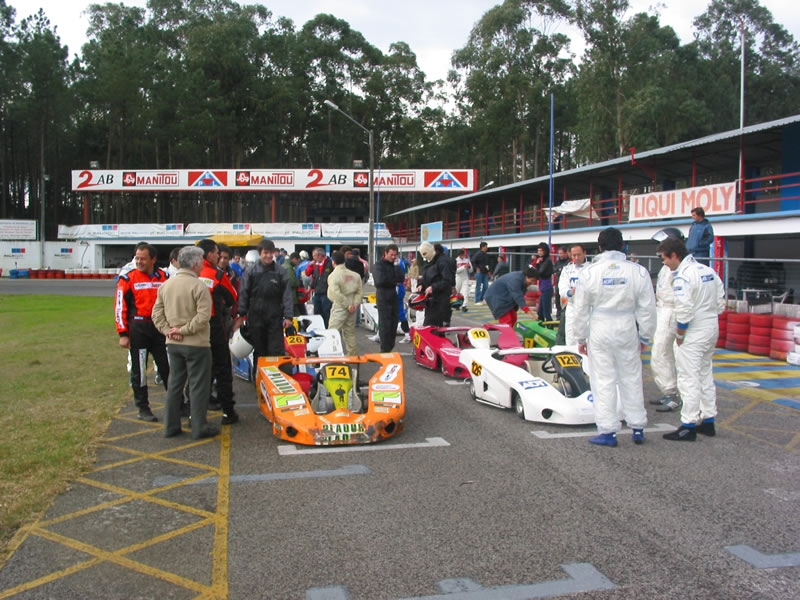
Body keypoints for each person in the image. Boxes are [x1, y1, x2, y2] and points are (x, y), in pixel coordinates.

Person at [573, 227, 657, 447]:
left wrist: (581, 338)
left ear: (599, 247)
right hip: (628, 326)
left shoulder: (590, 272)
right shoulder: (638, 271)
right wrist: (646, 337)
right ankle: (638, 426)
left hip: (600, 327)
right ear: (622, 246)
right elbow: (648, 308)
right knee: (631, 377)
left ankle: (608, 431)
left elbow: (580, 308)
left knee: (603, 380)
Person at [658, 237, 726, 442]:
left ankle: (688, 424)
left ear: (674, 255)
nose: (664, 263)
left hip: (693, 330)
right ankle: (708, 420)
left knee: (688, 377)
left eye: (664, 259)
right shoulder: (708, 271)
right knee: (705, 374)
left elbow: (684, 310)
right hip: (711, 325)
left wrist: (680, 334)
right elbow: (721, 301)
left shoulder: (682, 277)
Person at [151, 246, 218, 440]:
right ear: (196, 263)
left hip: (173, 344)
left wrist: (169, 331)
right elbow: (203, 317)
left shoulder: (166, 285)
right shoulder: (199, 287)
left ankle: (170, 426)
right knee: (198, 386)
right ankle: (199, 427)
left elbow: (156, 314)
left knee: (174, 385)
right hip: (197, 344)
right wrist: (183, 330)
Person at [115, 242, 170, 422]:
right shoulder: (128, 278)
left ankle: (177, 403)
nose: (139, 262)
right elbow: (120, 307)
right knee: (139, 371)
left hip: (160, 329)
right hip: (138, 329)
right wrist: (123, 334)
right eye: (137, 258)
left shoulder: (165, 277)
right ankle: (143, 408)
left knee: (167, 368)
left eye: (143, 259)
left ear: (153, 259)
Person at [197, 239, 239, 424]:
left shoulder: (188, 273)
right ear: (209, 254)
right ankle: (228, 412)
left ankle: (195, 415)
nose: (218, 257)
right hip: (212, 325)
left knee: (196, 370)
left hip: (190, 328)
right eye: (216, 253)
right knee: (222, 368)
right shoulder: (217, 274)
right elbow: (232, 297)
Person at [234, 239, 293, 368]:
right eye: (265, 253)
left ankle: (277, 381)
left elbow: (287, 295)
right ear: (260, 253)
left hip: (274, 317)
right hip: (255, 317)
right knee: (260, 352)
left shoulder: (281, 272)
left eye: (270, 253)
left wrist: (288, 316)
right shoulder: (250, 271)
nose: (268, 256)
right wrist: (240, 315)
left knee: (276, 351)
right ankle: (259, 381)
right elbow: (243, 293)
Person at [649, 228, 684, 412]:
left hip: (672, 311)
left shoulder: (679, 268)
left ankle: (672, 394)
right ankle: (669, 391)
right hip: (663, 310)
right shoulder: (666, 266)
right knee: (663, 354)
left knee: (661, 353)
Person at [326, 250, 363, 356]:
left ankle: (331, 355)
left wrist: (347, 305)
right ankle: (352, 355)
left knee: (332, 331)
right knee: (349, 333)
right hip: (353, 307)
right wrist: (354, 304)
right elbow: (359, 292)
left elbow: (333, 294)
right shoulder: (355, 275)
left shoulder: (334, 275)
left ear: (333, 262)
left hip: (340, 306)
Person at [372, 243, 405, 352]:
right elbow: (380, 281)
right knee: (385, 324)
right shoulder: (379, 265)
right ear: (385, 253)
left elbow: (401, 279)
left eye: (395, 255)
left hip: (394, 296)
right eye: (391, 255)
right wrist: (393, 281)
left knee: (394, 323)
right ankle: (384, 350)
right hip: (383, 296)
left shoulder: (395, 265)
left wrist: (396, 266)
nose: (393, 257)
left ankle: (389, 348)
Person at [556, 243, 588, 346]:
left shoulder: (592, 269)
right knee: (570, 336)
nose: (577, 258)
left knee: (588, 337)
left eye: (579, 254)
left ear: (584, 253)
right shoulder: (567, 270)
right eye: (574, 255)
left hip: (588, 307)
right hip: (572, 307)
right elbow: (562, 288)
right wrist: (570, 292)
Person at [418, 242, 455, 327]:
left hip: (440, 300)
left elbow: (447, 280)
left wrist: (433, 287)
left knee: (431, 326)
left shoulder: (443, 262)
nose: (426, 258)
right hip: (431, 300)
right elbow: (427, 276)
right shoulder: (431, 262)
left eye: (426, 255)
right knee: (431, 326)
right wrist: (421, 285)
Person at [306, 247, 334, 326]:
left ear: (319, 256)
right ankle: (319, 327)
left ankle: (327, 328)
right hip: (317, 292)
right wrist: (310, 286)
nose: (313, 258)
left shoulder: (330, 264)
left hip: (326, 292)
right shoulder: (315, 265)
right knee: (317, 312)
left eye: (314, 256)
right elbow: (310, 275)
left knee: (326, 312)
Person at [530, 242, 554, 321]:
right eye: (538, 250)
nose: (539, 252)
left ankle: (549, 327)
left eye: (541, 250)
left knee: (546, 312)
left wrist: (537, 265)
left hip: (546, 288)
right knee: (540, 312)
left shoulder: (547, 261)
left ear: (545, 251)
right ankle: (542, 327)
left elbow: (540, 272)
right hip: (542, 288)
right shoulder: (542, 260)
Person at [553, 247, 571, 319]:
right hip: (558, 285)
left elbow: (564, 271)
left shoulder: (569, 262)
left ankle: (563, 316)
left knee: (564, 302)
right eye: (559, 253)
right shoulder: (558, 262)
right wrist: (559, 270)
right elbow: (554, 269)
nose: (560, 255)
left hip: (565, 286)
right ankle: (558, 316)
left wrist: (560, 270)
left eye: (561, 253)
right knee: (557, 301)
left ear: (566, 253)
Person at [286, 252, 305, 317]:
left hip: (286, 296)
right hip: (291, 296)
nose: (298, 263)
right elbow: (293, 282)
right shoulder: (289, 268)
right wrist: (298, 283)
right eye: (298, 261)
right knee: (296, 315)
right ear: (294, 259)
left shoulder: (284, 265)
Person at [454, 249, 472, 313]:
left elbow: (471, 271)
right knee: (457, 292)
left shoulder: (467, 260)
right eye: (461, 255)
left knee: (465, 292)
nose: (463, 256)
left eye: (463, 254)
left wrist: (469, 267)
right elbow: (456, 271)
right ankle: (456, 305)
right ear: (459, 255)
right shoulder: (456, 261)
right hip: (458, 278)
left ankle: (464, 306)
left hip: (465, 278)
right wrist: (463, 267)